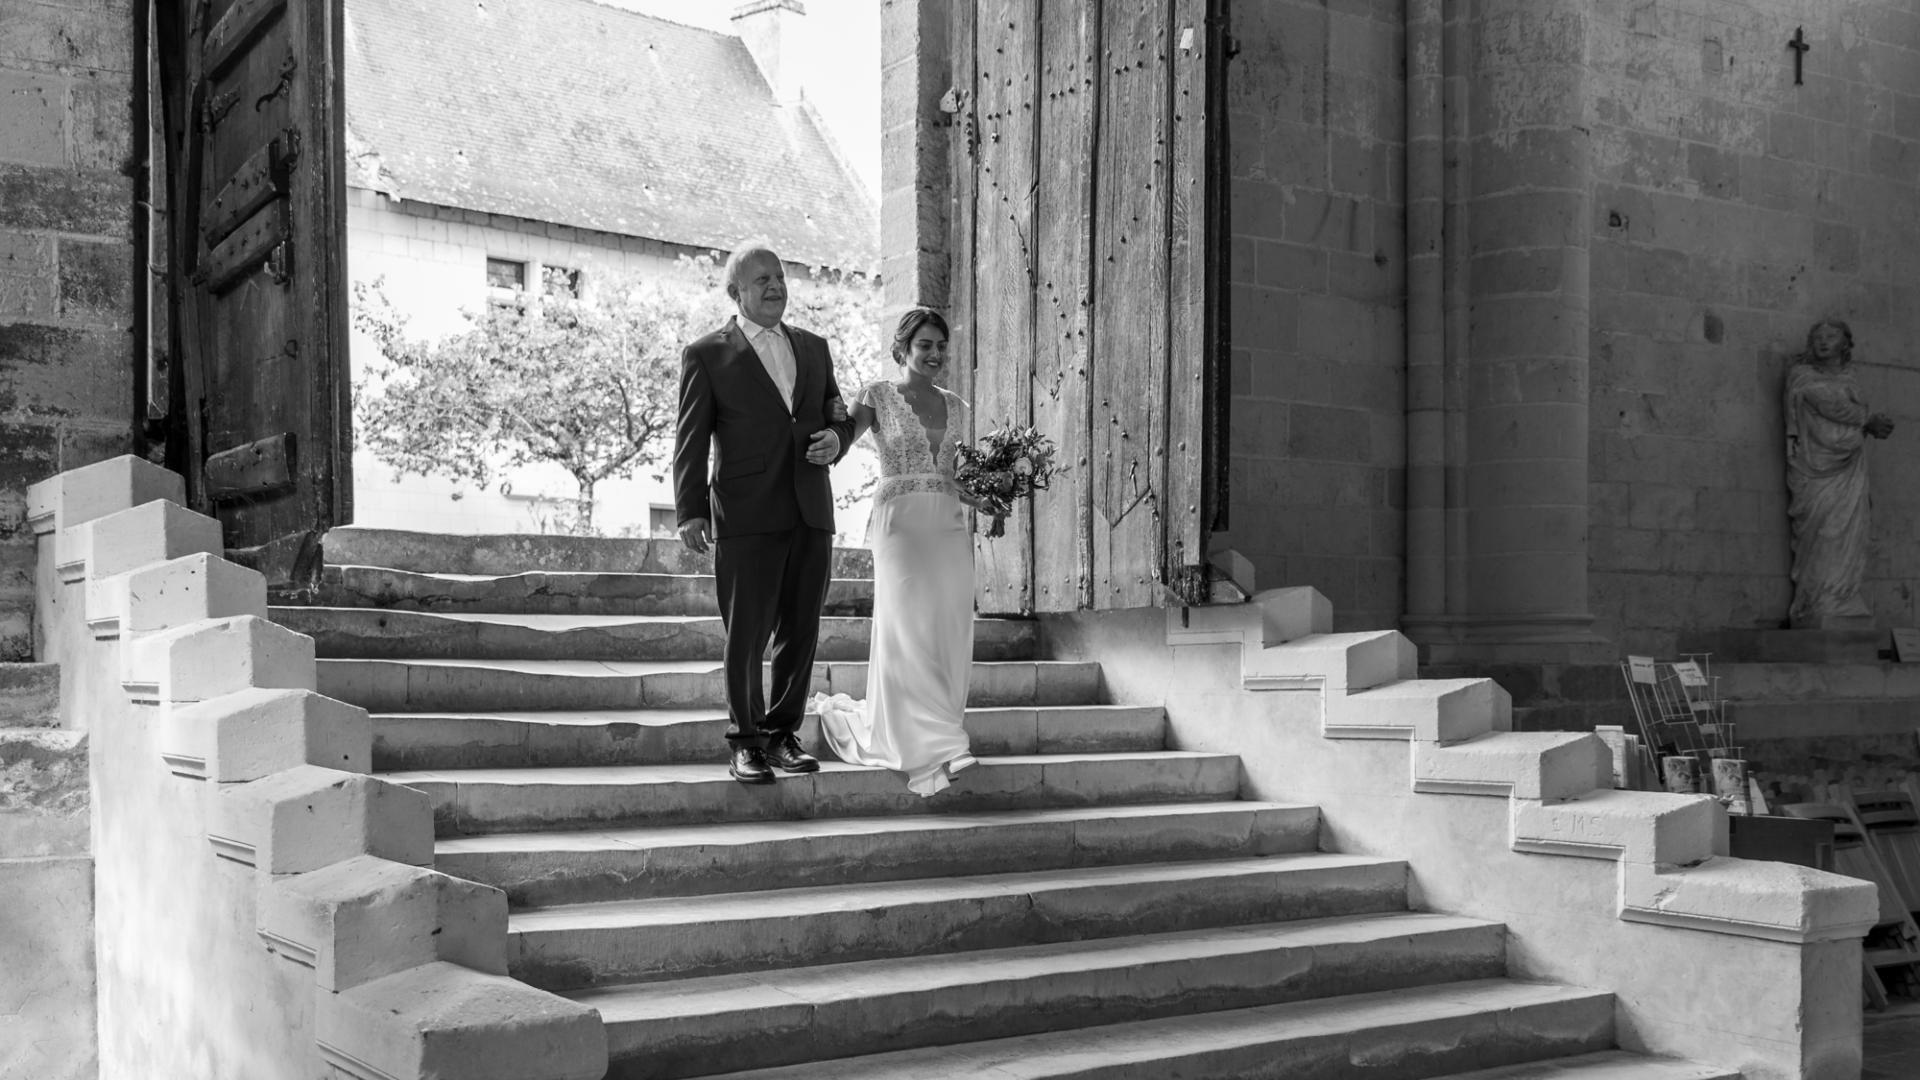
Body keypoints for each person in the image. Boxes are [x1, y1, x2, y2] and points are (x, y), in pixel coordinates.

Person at [672, 244, 856, 785]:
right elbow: (691, 438)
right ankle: (746, 742)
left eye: (779, 277)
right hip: (745, 512)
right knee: (747, 634)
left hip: (809, 509)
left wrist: (837, 441)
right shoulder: (707, 353)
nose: (775, 286)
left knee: (801, 630)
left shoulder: (816, 348)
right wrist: (690, 510)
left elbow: (837, 416)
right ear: (736, 294)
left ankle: (782, 736)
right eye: (761, 280)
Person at [813, 308, 984, 796]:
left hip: (948, 524)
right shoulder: (878, 395)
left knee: (949, 626)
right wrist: (830, 440)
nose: (934, 354)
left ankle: (943, 727)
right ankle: (944, 743)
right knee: (909, 627)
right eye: (925, 345)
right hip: (900, 524)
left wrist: (987, 496)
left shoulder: (959, 407)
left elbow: (954, 475)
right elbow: (846, 434)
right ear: (903, 349)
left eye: (940, 346)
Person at [1784, 317, 1895, 628]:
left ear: (1845, 344)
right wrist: (1866, 420)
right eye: (1818, 336)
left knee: (1850, 531)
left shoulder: (1851, 377)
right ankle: (1818, 600)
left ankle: (1842, 596)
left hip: (1850, 466)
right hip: (1815, 467)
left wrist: (1865, 424)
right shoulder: (1801, 376)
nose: (1823, 341)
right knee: (1823, 531)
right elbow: (1824, 402)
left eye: (1831, 336)